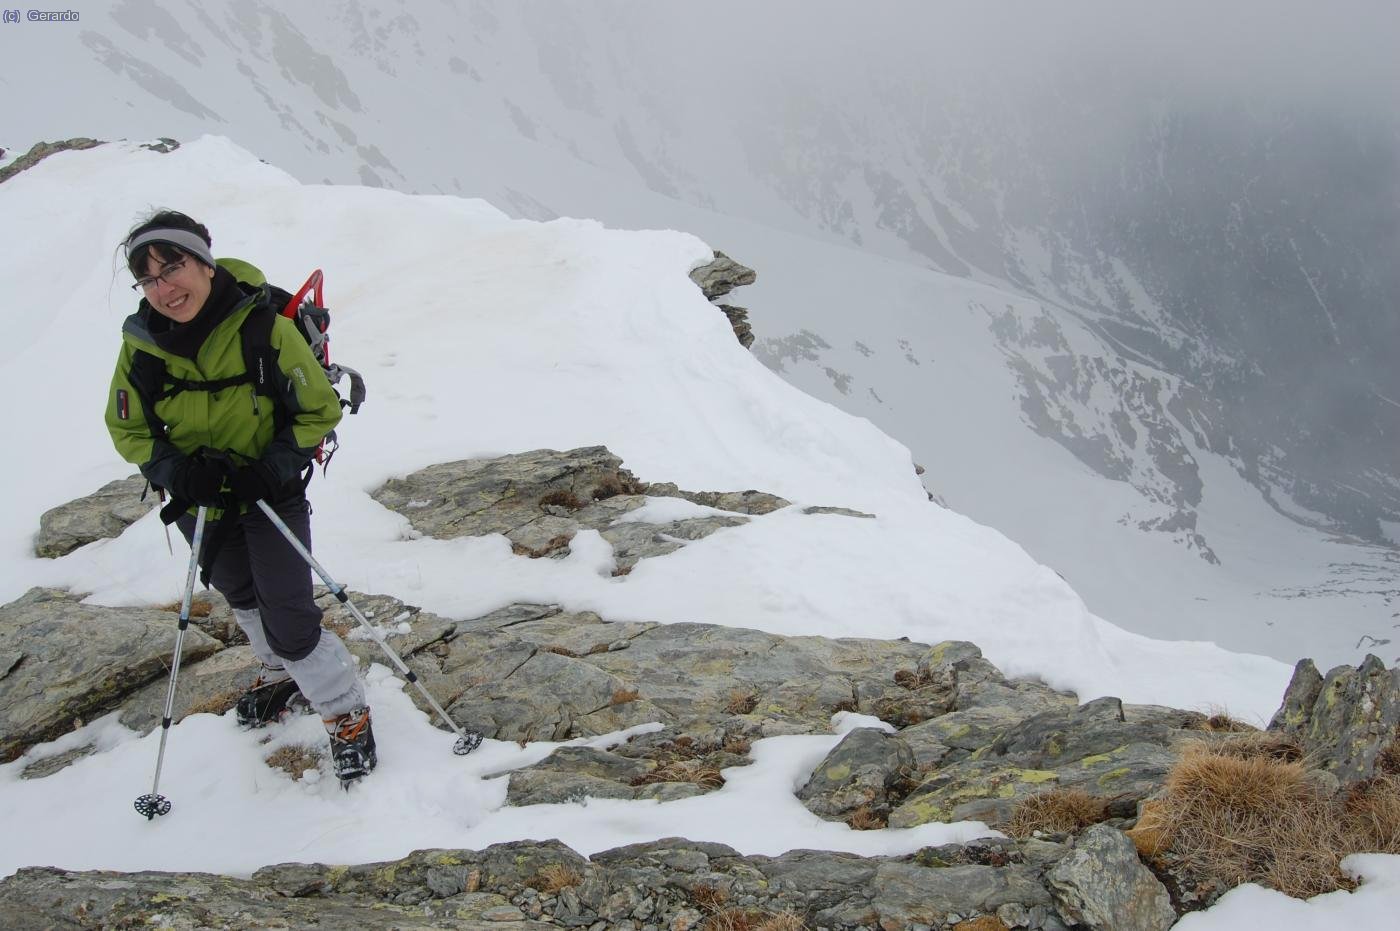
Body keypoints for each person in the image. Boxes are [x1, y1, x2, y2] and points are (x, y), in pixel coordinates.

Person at [105, 210, 377, 783]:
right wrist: (173, 471)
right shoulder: (142, 348)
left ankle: (345, 713)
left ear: (204, 263)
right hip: (199, 502)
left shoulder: (265, 330)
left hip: (269, 495)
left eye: (172, 267)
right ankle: (278, 670)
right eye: (148, 280)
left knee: (290, 615)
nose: (163, 289)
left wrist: (275, 464)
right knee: (240, 593)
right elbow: (127, 427)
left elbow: (318, 410)